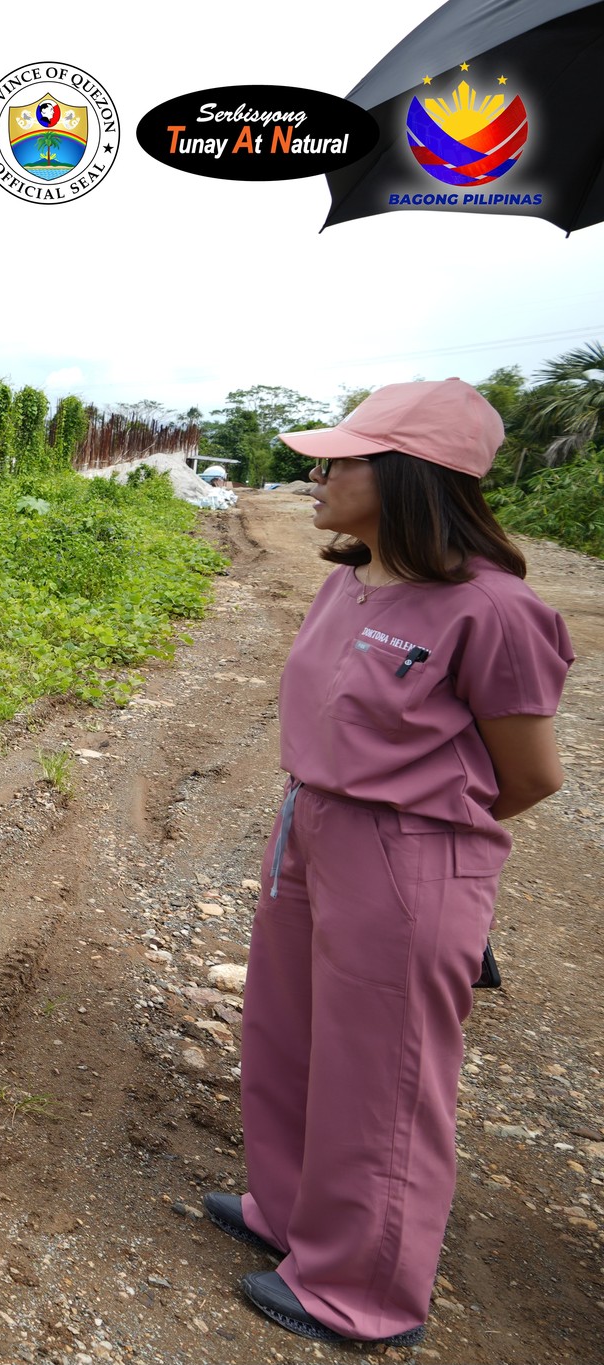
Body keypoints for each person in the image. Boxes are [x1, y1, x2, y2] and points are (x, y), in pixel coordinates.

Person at [206, 378, 574, 1346]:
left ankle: (361, 1291)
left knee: (383, 1075)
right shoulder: (347, 579)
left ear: (412, 478)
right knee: (288, 1035)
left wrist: (418, 834)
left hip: (406, 849)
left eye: (341, 459)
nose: (316, 475)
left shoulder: (492, 612)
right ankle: (290, 1219)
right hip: (308, 827)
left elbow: (529, 774)